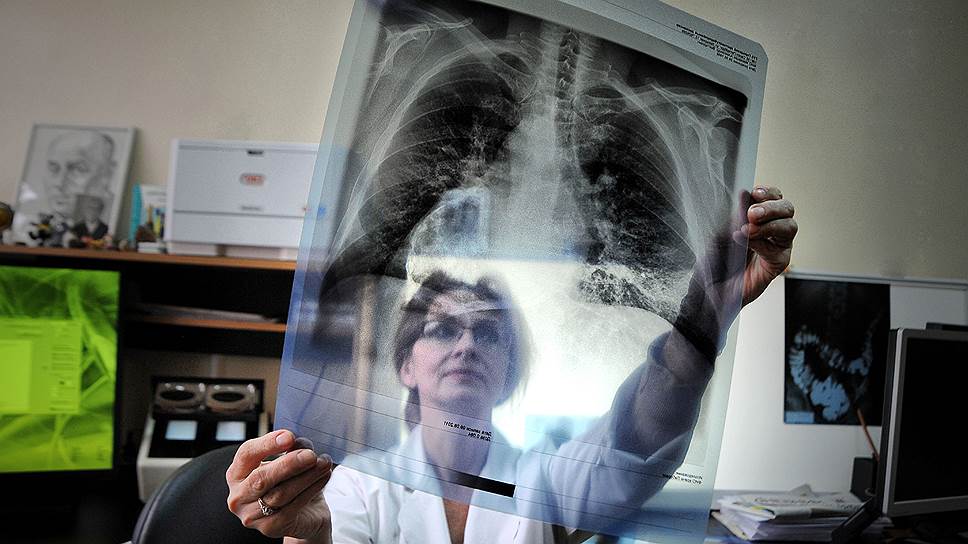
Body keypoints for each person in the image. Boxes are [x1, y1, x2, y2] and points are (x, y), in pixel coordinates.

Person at [226, 186, 797, 543]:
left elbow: (638, 434)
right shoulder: (360, 483)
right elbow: (327, 532)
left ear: (507, 370)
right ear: (406, 367)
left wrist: (703, 317)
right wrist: (307, 531)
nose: (467, 345)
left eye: (488, 334)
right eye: (444, 329)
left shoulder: (543, 478)